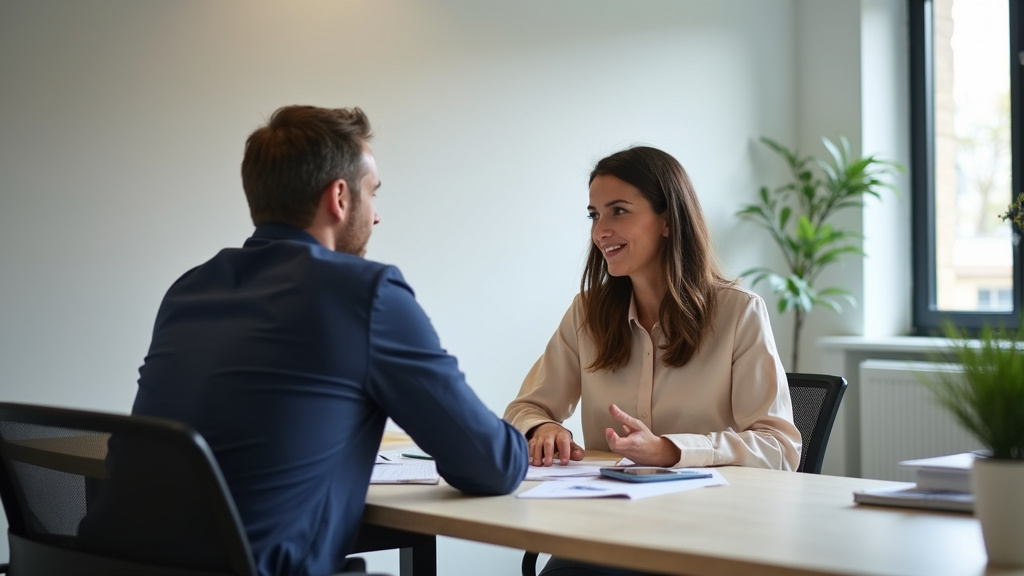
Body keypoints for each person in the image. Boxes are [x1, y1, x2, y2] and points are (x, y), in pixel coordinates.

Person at [126, 105, 528, 576]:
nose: (376, 216)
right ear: (339, 196)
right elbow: (491, 465)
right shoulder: (364, 293)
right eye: (371, 193)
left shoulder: (190, 289)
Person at [504, 146, 801, 576]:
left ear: (667, 220)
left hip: (708, 533)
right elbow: (523, 408)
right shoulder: (586, 313)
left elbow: (780, 447)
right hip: (607, 531)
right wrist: (543, 426)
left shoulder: (739, 312)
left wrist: (671, 450)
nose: (601, 231)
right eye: (593, 215)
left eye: (618, 211)